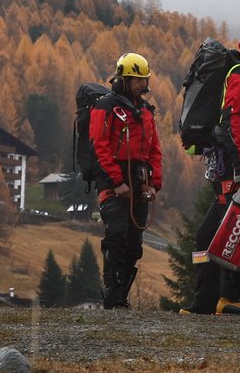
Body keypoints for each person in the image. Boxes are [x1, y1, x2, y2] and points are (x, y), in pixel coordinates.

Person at [187, 36, 240, 315]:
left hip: (239, 162)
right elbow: (233, 118)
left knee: (228, 231)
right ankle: (216, 299)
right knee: (223, 232)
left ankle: (227, 298)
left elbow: (234, 118)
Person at [88, 52, 162, 309]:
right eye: (138, 80)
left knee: (134, 245)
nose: (143, 85)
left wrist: (154, 183)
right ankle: (112, 295)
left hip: (139, 181)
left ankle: (121, 297)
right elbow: (99, 146)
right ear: (124, 79)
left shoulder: (145, 111)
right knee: (116, 238)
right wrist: (116, 181)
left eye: (145, 80)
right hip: (113, 181)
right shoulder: (105, 107)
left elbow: (155, 150)